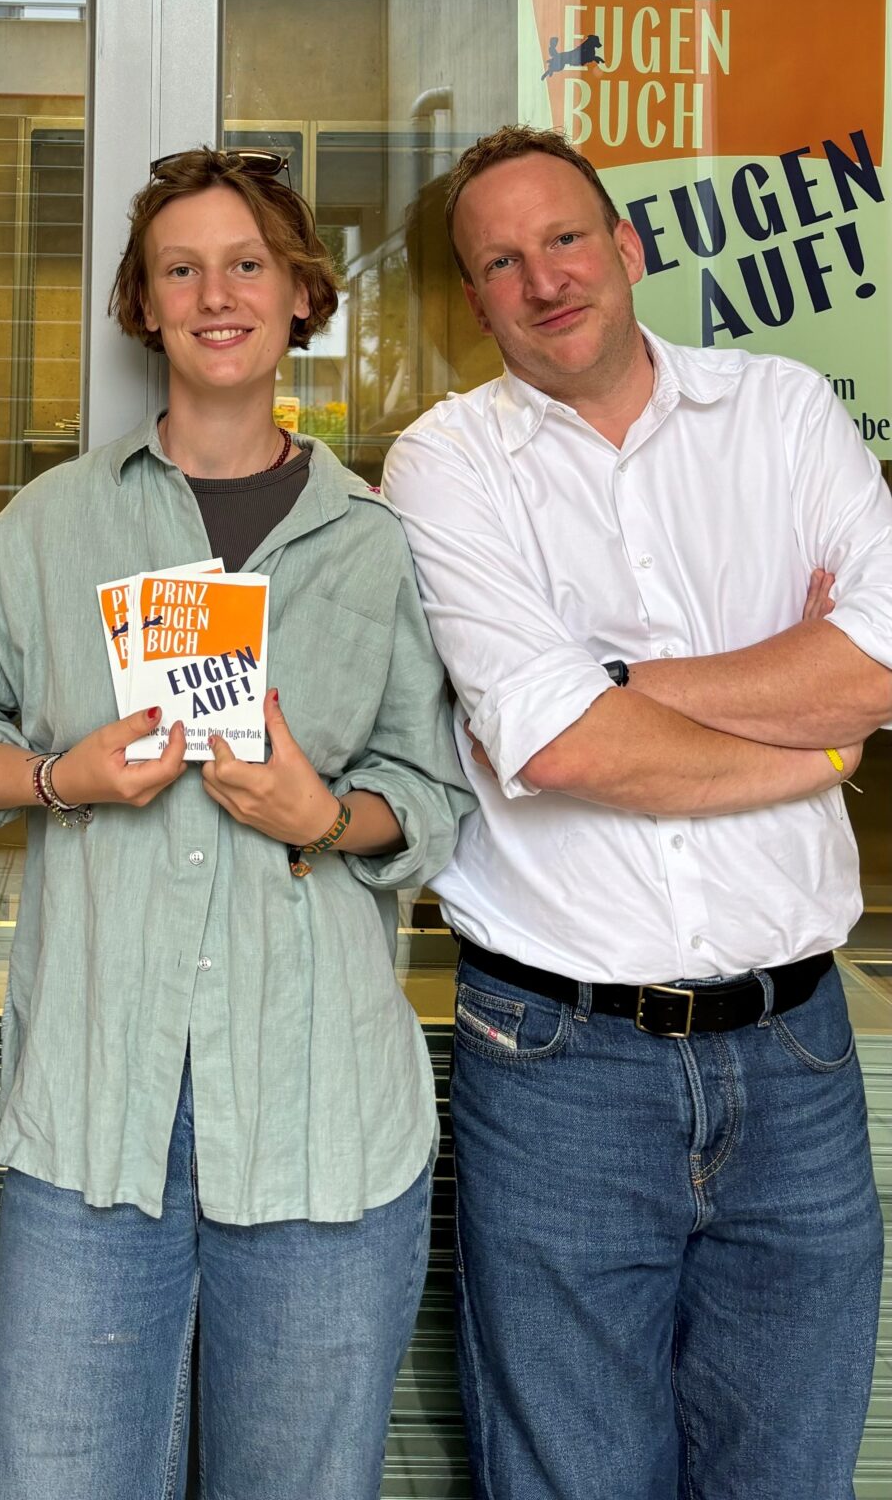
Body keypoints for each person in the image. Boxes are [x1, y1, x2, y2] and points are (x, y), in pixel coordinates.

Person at [0, 146, 471, 1500]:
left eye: (247, 265)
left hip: (322, 1121)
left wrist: (324, 815)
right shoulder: (49, 527)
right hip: (98, 1118)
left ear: (301, 295)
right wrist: (63, 778)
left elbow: (436, 800)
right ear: (143, 306)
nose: (217, 295)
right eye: (181, 269)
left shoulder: (375, 542)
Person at [382, 123, 892, 1500]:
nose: (543, 278)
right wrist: (809, 741)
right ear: (474, 300)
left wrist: (614, 682)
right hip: (562, 1063)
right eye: (502, 261)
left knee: (789, 1478)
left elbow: (881, 663)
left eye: (564, 239)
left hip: (795, 1054)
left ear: (626, 245)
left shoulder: (782, 413)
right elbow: (554, 744)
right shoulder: (447, 464)